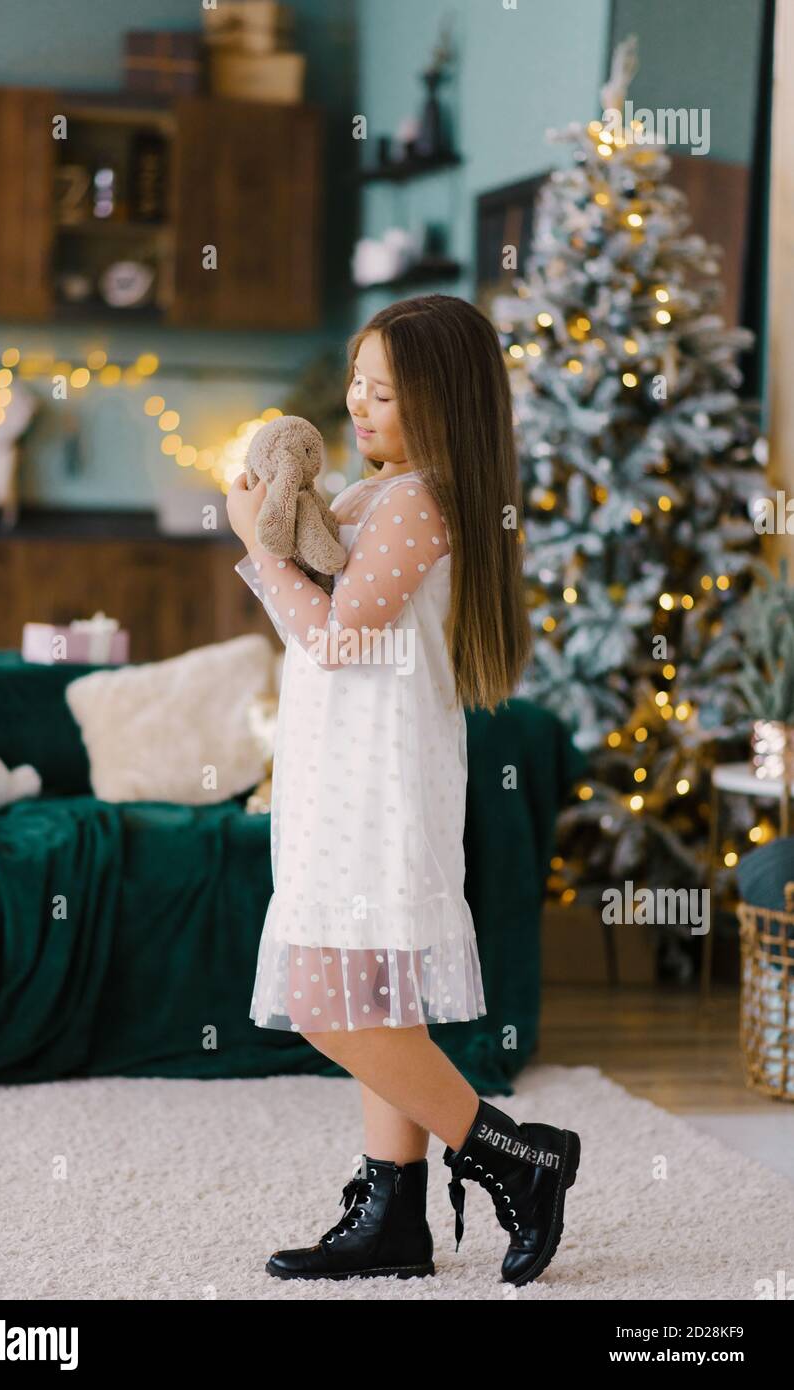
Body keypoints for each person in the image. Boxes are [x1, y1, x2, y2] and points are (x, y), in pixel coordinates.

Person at [228, 294, 580, 1286]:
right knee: (373, 994)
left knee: (325, 998)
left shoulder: (419, 502)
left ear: (445, 402)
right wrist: (275, 523)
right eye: (357, 384)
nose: (361, 404)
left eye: (387, 391)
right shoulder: (372, 495)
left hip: (374, 782)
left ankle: (518, 1156)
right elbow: (323, 611)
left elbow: (339, 638)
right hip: (340, 769)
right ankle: (395, 1213)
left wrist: (259, 548)